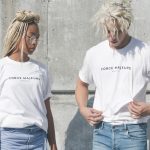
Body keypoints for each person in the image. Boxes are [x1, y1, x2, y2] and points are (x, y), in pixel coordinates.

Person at [75, 0, 150, 150]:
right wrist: (83, 109)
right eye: (108, 31)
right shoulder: (94, 54)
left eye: (117, 31)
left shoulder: (144, 52)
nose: (112, 36)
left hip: (133, 132)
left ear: (126, 25)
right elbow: (81, 84)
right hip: (102, 131)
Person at [0, 10, 57, 150]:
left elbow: (47, 111)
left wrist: (53, 145)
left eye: (37, 37)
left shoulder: (41, 70)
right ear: (19, 35)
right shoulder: (2, 67)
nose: (35, 42)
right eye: (31, 37)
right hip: (9, 138)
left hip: (37, 139)